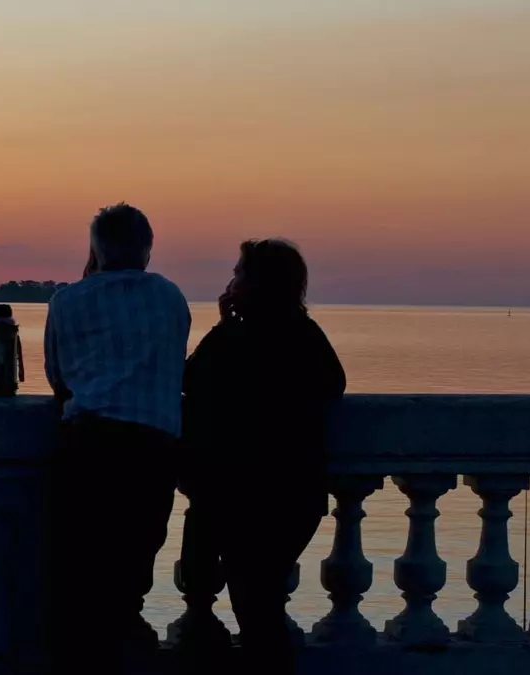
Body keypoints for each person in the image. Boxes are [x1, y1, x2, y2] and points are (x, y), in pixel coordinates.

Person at [181, 239, 345, 675]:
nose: (230, 280)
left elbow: (192, 381)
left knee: (255, 608)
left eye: (237, 272)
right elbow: (333, 384)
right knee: (260, 603)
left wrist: (224, 326)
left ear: (255, 283)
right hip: (295, 494)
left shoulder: (238, 336)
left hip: (250, 494)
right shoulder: (303, 332)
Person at [44, 203, 191, 674]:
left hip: (90, 446)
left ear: (95, 249)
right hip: (153, 450)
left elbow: (59, 379)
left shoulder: (67, 301)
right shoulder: (169, 297)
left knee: (81, 569)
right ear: (148, 249)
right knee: (132, 567)